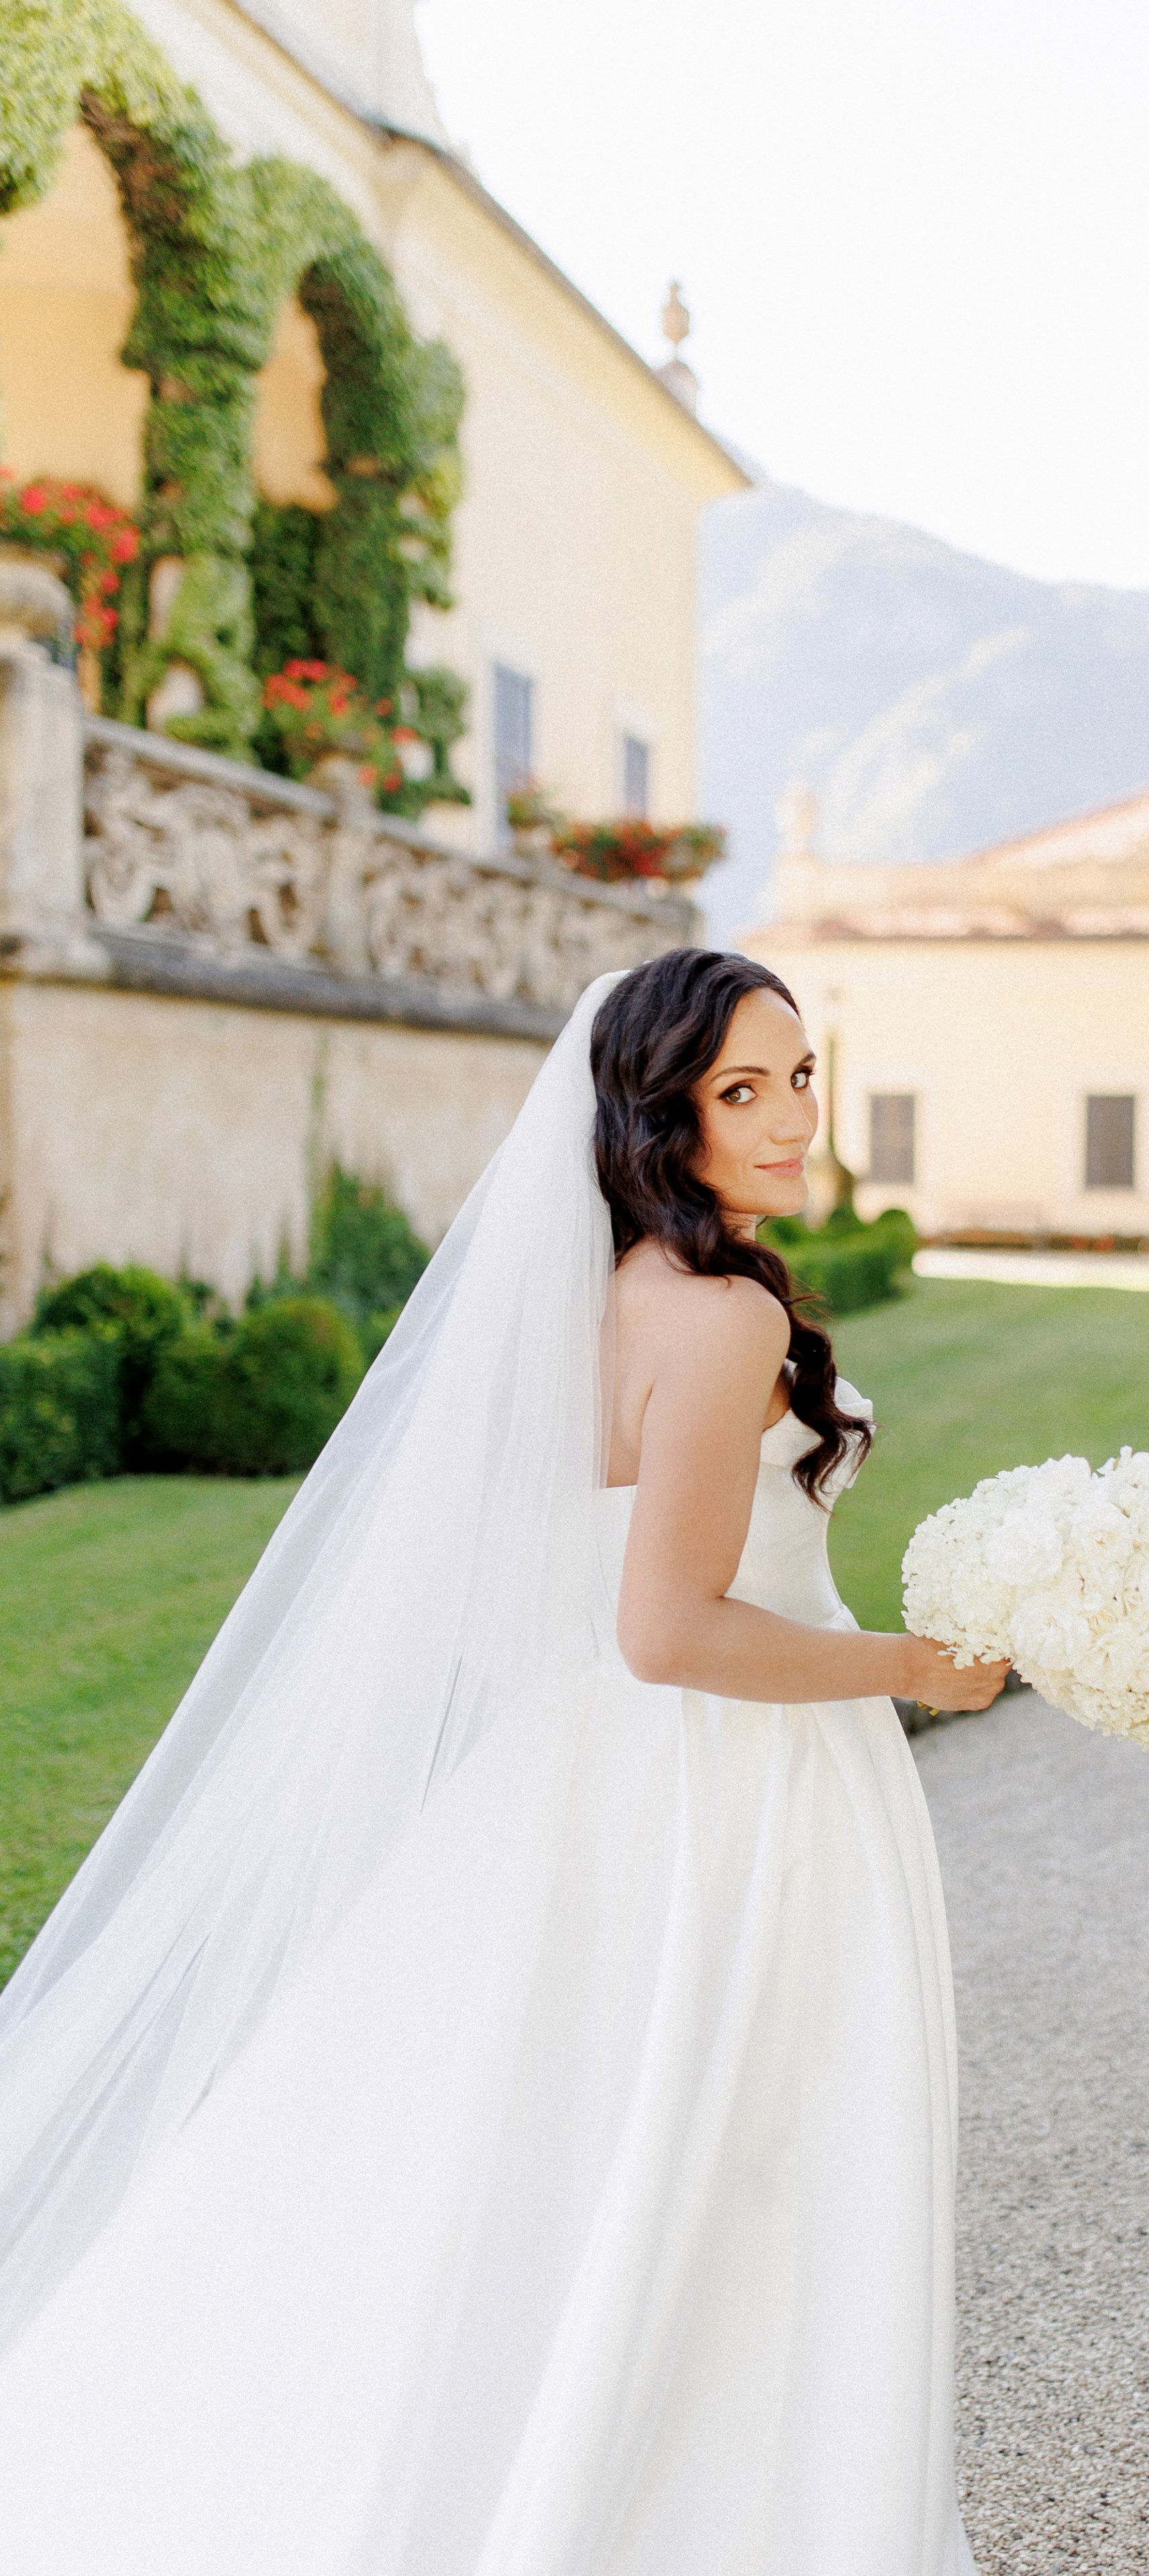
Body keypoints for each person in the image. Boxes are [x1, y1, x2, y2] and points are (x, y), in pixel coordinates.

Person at [0, 949, 1007, 2574]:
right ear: (654, 1110)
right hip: (719, 1796)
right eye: (739, 1090)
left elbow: (536, 1600)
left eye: (800, 1076)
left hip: (555, 1788)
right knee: (741, 2165)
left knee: (525, 2157)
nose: (786, 1117)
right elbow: (667, 1631)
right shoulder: (729, 1313)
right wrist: (909, 1668)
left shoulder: (588, 1296)